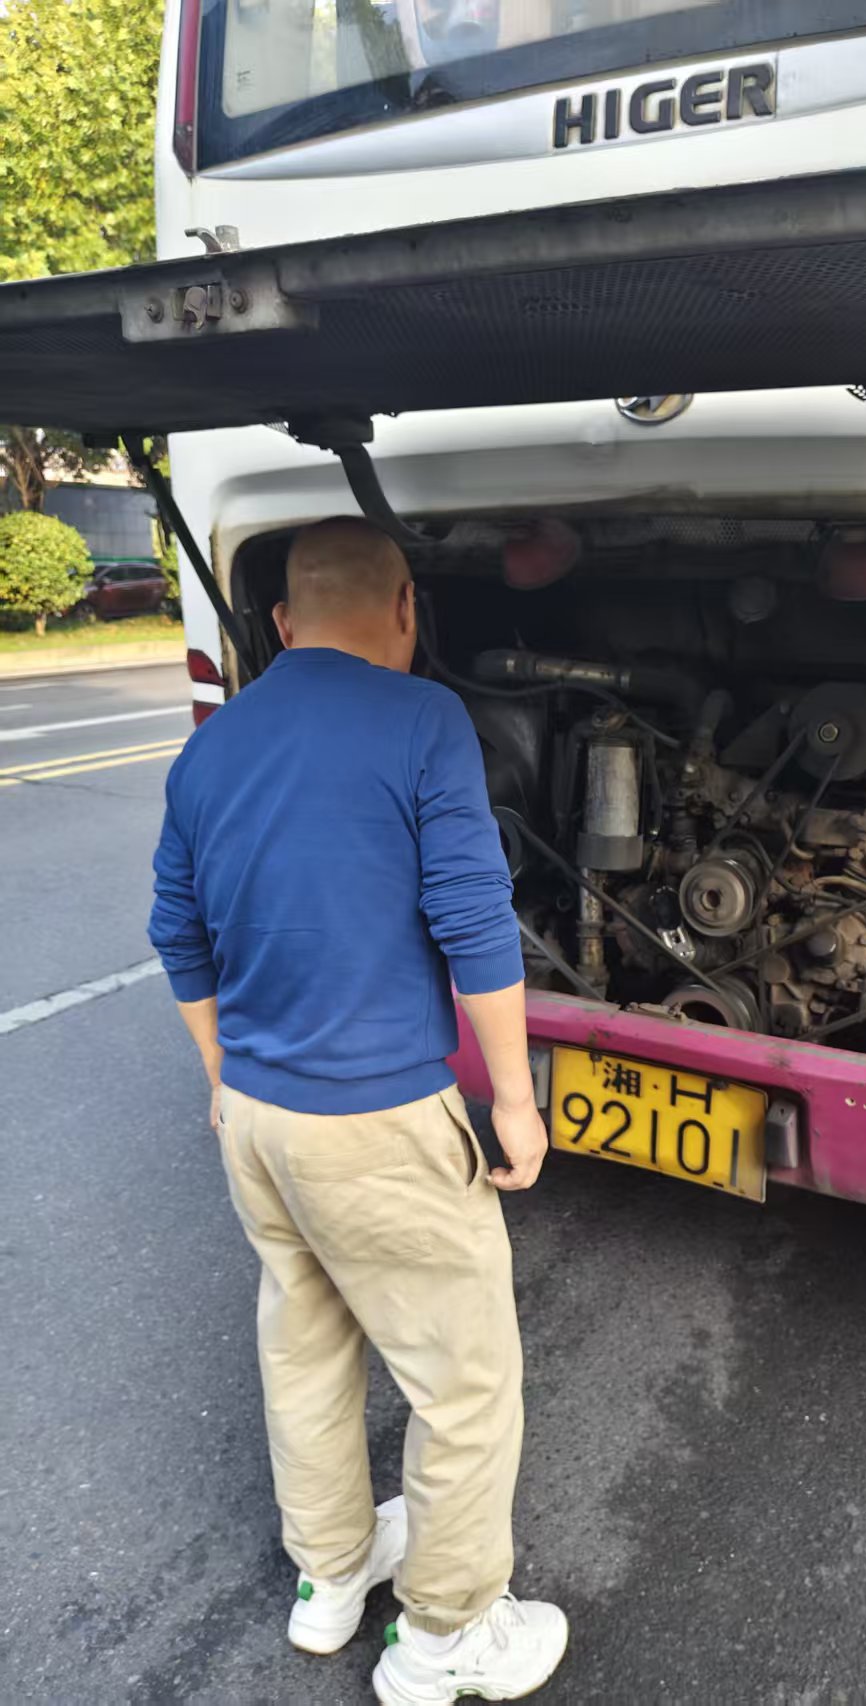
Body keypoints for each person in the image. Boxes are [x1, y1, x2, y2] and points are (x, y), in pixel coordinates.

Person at [148, 516, 567, 1704]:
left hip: (259, 1121)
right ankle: (446, 1635)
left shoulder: (212, 749)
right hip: (378, 1121)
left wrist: (222, 1073)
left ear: (283, 622)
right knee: (464, 1383)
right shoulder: (424, 719)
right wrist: (515, 1101)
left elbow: (177, 934)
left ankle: (331, 1576)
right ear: (404, 608)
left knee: (306, 1343)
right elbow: (474, 921)